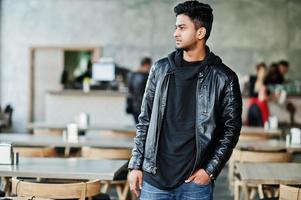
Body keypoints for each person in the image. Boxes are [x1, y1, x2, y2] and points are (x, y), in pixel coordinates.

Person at [128, 1, 242, 200]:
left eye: (182, 27)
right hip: (155, 180)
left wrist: (210, 170)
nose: (175, 33)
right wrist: (136, 164)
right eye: (175, 27)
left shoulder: (224, 78)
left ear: (200, 33)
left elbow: (230, 130)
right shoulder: (160, 70)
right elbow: (145, 120)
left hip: (195, 183)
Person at [127, 57, 152, 124]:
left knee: (138, 127)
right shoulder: (147, 77)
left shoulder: (131, 75)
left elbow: (129, 91)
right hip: (143, 107)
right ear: (147, 65)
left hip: (133, 107)